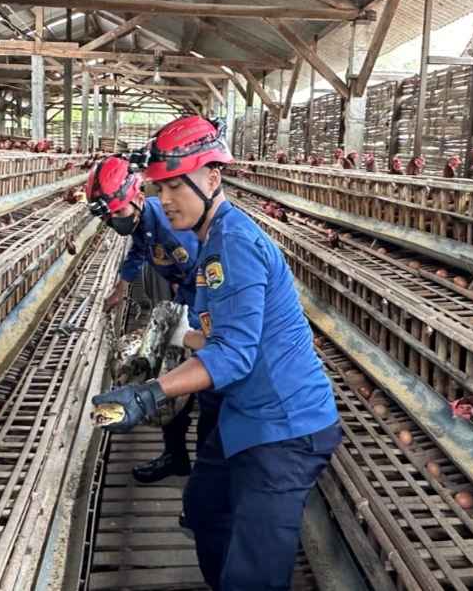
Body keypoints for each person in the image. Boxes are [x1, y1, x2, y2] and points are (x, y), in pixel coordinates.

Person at [91, 116, 340, 591]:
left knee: (255, 574)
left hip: (285, 430)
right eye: (158, 189)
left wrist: (150, 393)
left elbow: (233, 356)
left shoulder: (234, 245)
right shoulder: (211, 239)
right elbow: (216, 335)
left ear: (212, 177)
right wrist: (175, 338)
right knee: (205, 512)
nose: (164, 201)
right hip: (245, 415)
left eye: (174, 187)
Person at [84, 155, 209, 483]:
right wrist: (121, 288)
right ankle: (176, 456)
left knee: (200, 386)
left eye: (120, 212)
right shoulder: (144, 223)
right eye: (110, 217)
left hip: (202, 309)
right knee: (169, 374)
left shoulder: (172, 226)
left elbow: (202, 274)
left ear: (138, 197)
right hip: (179, 303)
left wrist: (189, 322)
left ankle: (207, 471)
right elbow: (138, 252)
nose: (116, 221)